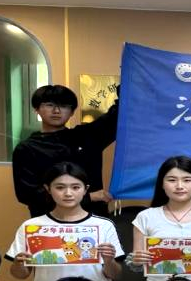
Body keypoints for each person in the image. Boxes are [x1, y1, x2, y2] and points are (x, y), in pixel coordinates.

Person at [12, 84, 117, 218]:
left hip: (92, 219)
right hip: (48, 221)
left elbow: (118, 116)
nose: (56, 111)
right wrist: (88, 197)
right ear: (36, 109)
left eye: (63, 106)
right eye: (49, 105)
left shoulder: (88, 137)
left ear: (72, 111)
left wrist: (130, 80)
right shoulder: (26, 148)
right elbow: (27, 194)